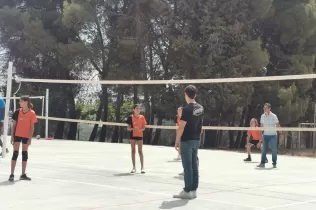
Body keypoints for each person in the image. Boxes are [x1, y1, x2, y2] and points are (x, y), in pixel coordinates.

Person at [173, 85, 204, 200]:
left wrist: (177, 141)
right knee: (194, 166)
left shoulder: (186, 109)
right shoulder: (201, 108)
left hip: (187, 140)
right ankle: (193, 190)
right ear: (195, 94)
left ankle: (187, 190)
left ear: (186, 94)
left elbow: (181, 126)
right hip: (196, 139)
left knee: (187, 166)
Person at [9, 96, 38, 182]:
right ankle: (12, 174)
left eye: (21, 101)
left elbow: (32, 127)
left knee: (24, 154)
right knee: (15, 153)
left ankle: (23, 174)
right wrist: (12, 136)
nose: (19, 103)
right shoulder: (17, 112)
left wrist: (30, 138)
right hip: (17, 135)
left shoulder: (32, 113)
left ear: (26, 102)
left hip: (26, 136)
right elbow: (13, 125)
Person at [257, 103, 282, 168]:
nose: (264, 109)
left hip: (273, 135)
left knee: (274, 150)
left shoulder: (274, 116)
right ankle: (262, 163)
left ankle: (274, 163)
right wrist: (260, 134)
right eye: (264, 108)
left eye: (266, 108)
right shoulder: (262, 116)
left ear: (269, 108)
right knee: (264, 149)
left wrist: (281, 133)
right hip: (265, 135)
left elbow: (277, 125)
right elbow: (261, 126)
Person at [126, 104, 147, 174]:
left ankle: (142, 167)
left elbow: (144, 127)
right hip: (133, 136)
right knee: (133, 151)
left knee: (140, 151)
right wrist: (133, 129)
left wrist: (141, 130)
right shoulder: (130, 117)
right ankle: (134, 167)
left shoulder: (142, 117)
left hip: (140, 135)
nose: (138, 110)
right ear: (133, 110)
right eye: (137, 108)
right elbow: (128, 128)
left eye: (139, 108)